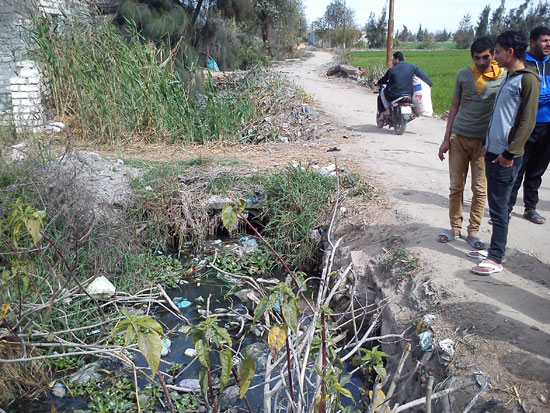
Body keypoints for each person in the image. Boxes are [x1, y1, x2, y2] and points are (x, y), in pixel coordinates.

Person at [470, 31, 540, 275]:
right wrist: (489, 143)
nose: (494, 56)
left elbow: (527, 122)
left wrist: (509, 153)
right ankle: (494, 248)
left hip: (506, 156)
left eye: (497, 52)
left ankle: (496, 257)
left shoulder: (527, 80)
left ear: (511, 52)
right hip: (494, 150)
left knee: (500, 207)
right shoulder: (510, 77)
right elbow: (501, 116)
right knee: (496, 204)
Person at [437, 37, 504, 249]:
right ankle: (455, 227)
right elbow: (454, 106)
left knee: (479, 189)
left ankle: (473, 231)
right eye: (477, 58)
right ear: (472, 57)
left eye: (486, 57)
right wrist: (446, 139)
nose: (481, 62)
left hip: (484, 144)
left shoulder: (503, 78)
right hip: (459, 138)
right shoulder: (464, 75)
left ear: (493, 55)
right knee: (456, 186)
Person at [507, 26, 550, 224]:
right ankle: (505, 209)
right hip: (526, 125)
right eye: (544, 40)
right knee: (518, 168)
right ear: (532, 43)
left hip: (547, 125)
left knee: (537, 170)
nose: (548, 44)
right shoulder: (523, 63)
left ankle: (530, 208)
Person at [376, 52, 433, 120]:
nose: (393, 62)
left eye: (393, 59)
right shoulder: (412, 67)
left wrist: (378, 83)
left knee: (382, 90)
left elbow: (383, 80)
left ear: (397, 59)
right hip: (408, 94)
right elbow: (424, 77)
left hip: (394, 95)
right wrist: (429, 85)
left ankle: (387, 110)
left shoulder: (392, 69)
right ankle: (412, 111)